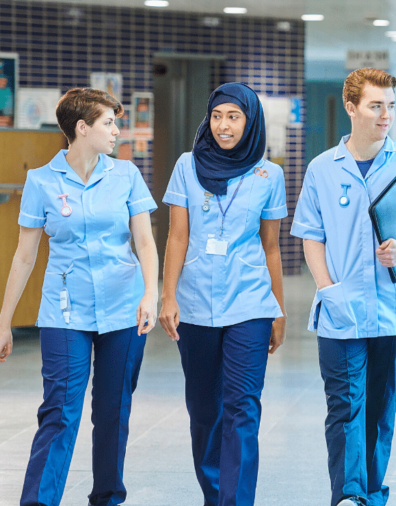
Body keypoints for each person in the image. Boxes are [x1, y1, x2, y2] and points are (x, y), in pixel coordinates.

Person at [0, 88, 158, 506]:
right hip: (64, 312)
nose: (116, 130)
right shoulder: (41, 181)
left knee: (113, 411)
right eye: (108, 123)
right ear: (82, 129)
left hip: (123, 309)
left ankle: (107, 497)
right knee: (60, 412)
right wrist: (3, 324)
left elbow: (145, 242)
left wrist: (151, 295)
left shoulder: (126, 176)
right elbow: (24, 257)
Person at [291, 68, 396, 506]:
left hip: (395, 313)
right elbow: (310, 236)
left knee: (380, 414)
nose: (385, 115)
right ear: (351, 107)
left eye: (390, 106)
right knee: (344, 409)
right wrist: (327, 288)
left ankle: (371, 495)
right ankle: (349, 496)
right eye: (376, 106)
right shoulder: (322, 169)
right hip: (341, 311)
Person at [158, 82, 288, 506]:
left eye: (234, 116)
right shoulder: (186, 166)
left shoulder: (270, 175)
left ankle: (236, 501)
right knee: (203, 411)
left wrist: (279, 311)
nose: (223, 125)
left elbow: (271, 247)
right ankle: (216, 495)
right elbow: (177, 237)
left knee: (243, 409)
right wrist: (168, 296)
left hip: (250, 304)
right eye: (217, 115)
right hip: (195, 305)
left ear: (250, 122)